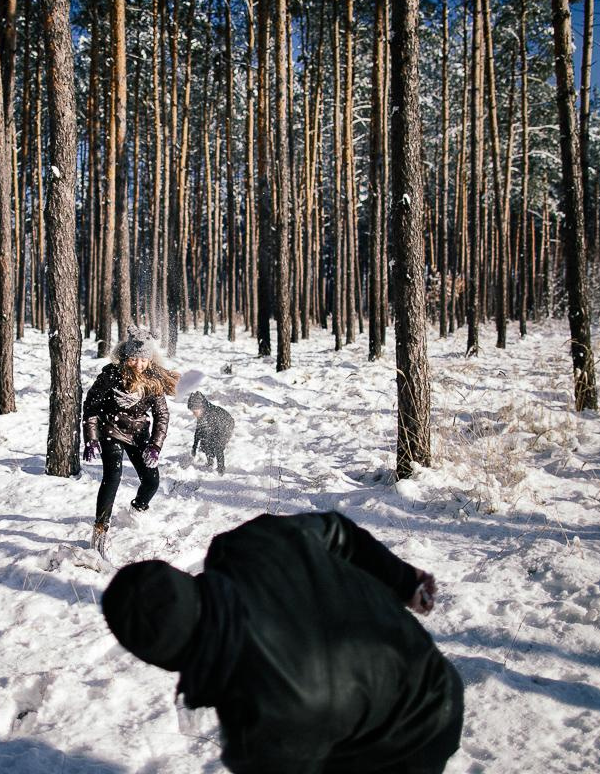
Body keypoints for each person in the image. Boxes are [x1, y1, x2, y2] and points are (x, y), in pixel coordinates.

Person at [101, 511, 463, 774]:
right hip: (432, 672)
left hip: (408, 744)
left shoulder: (258, 727)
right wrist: (403, 580)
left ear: (160, 658)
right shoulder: (245, 545)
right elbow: (338, 532)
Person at [83, 327, 179, 555]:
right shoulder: (110, 376)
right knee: (112, 477)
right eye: (134, 359)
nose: (139, 364)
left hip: (138, 435)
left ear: (150, 358)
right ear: (126, 357)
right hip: (111, 430)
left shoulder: (153, 380)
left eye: (144, 359)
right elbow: (91, 408)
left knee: (152, 481)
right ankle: (100, 529)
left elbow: (162, 415)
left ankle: (135, 512)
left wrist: (155, 446)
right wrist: (92, 438)